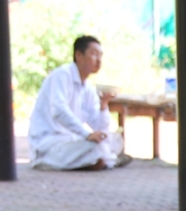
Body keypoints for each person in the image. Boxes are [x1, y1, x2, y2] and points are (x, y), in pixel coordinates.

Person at [28, 36, 130, 171]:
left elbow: (98, 126)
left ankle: (103, 160)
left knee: (115, 140)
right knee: (96, 147)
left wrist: (103, 106)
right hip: (49, 143)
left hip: (71, 141)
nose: (98, 60)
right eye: (94, 54)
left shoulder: (88, 87)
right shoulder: (61, 76)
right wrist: (86, 135)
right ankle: (108, 160)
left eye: (100, 55)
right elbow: (59, 111)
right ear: (78, 55)